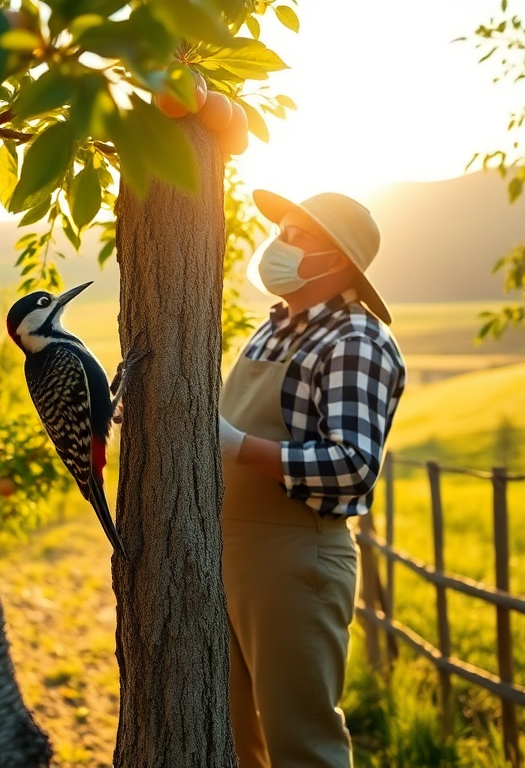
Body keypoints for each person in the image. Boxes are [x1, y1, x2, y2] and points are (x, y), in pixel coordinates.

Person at [218, 190, 406, 768]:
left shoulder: (356, 340)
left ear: (338, 261)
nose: (279, 245)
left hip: (296, 558)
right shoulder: (270, 328)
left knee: (301, 745)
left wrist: (236, 446)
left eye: (299, 237)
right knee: (231, 739)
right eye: (282, 232)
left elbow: (351, 466)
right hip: (228, 551)